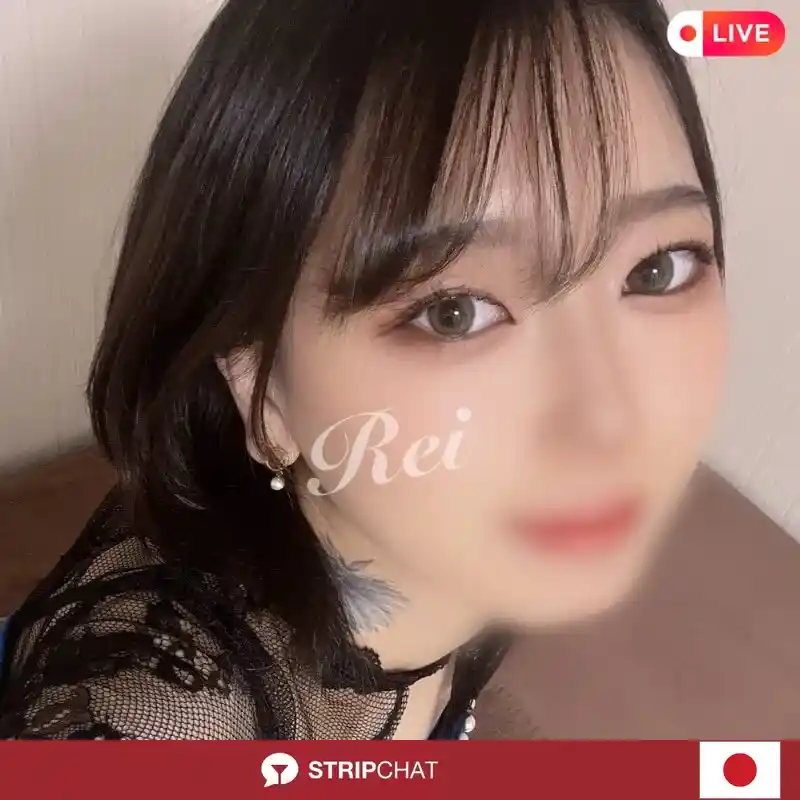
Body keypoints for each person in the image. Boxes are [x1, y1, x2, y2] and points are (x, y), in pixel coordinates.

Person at [0, 0, 728, 740]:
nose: (610, 422)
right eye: (454, 312)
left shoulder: (466, 536)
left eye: (658, 269)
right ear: (258, 383)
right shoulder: (162, 715)